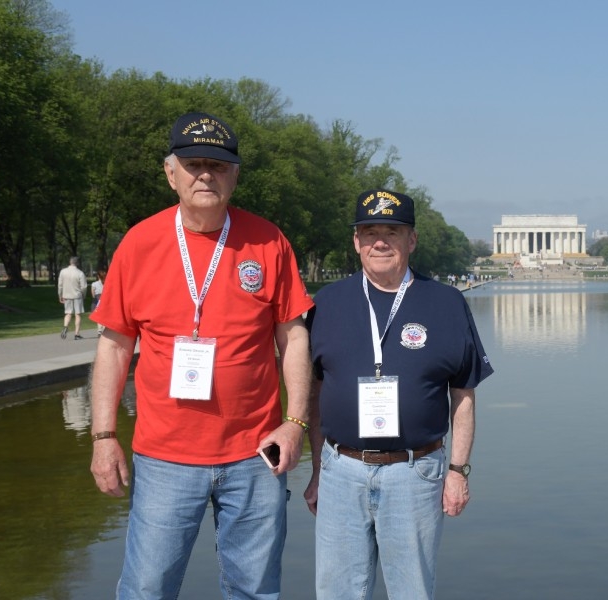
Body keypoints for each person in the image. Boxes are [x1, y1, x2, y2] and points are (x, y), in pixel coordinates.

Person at [88, 112, 315, 600]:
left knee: (255, 590)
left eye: (219, 164)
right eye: (194, 164)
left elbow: (293, 337)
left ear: (235, 175)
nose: (206, 174)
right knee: (147, 589)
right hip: (165, 455)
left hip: (256, 455)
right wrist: (104, 435)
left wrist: (295, 424)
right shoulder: (139, 243)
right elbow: (114, 347)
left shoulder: (268, 241)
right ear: (171, 173)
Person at [304, 189, 494, 599]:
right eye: (369, 231)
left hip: (415, 472)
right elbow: (315, 391)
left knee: (412, 591)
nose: (379, 241)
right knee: (336, 592)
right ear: (356, 242)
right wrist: (318, 470)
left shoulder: (446, 302)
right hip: (341, 470)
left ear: (412, 240)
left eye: (392, 231)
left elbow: (463, 395)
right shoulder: (328, 302)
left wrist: (458, 473)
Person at [58, 256, 87, 340]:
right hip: (77, 295)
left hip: (66, 294)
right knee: (78, 314)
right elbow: (84, 287)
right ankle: (77, 334)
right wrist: (83, 295)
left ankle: (65, 326)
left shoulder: (63, 272)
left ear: (70, 262)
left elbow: (60, 285)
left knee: (68, 313)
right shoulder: (80, 273)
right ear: (77, 263)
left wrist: (60, 295)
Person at [91, 266, 106, 334]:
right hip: (105, 298)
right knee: (104, 314)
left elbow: (93, 294)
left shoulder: (94, 284)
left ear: (98, 276)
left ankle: (99, 329)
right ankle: (103, 327)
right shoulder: (106, 283)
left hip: (97, 299)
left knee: (98, 314)